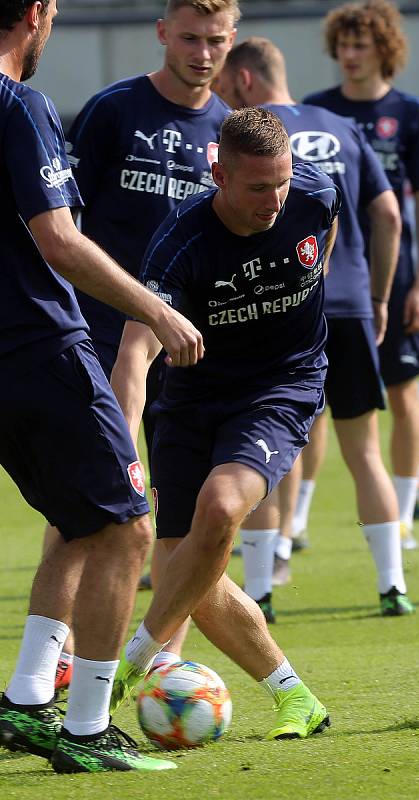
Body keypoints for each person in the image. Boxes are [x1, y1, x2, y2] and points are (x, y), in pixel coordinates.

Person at [0, 0, 204, 774]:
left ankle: (25, 700)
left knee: (76, 518)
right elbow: (57, 238)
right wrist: (156, 310)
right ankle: (86, 729)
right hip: (38, 349)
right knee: (126, 527)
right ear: (34, 14)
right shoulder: (20, 104)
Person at [109, 107, 337, 740]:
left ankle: (130, 662)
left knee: (221, 505)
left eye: (282, 181)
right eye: (258, 186)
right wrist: (120, 447)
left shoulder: (315, 191)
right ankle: (296, 697)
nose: (274, 200)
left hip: (281, 388)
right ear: (218, 173)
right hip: (187, 403)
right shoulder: (179, 243)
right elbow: (135, 351)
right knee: (188, 568)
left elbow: (324, 236)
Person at [49, 0, 239, 687]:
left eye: (216, 39)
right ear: (163, 33)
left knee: (179, 515)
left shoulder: (229, 132)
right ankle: (63, 652)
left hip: (187, 349)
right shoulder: (115, 111)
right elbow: (64, 224)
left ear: (233, 40)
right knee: (93, 499)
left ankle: (163, 660)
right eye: (189, 37)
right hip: (98, 335)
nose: (202, 52)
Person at [215, 37, 413, 617]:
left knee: (266, 451)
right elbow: (390, 216)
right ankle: (393, 586)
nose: (221, 95)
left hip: (284, 311)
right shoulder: (341, 124)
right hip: (351, 306)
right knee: (365, 452)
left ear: (246, 81)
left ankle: (260, 592)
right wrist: (377, 296)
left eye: (226, 85)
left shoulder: (249, 135)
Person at [303, 0, 419, 550]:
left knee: (403, 393)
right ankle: (295, 523)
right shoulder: (316, 110)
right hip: (325, 280)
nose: (349, 56)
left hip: (393, 276)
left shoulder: (410, 113)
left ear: (384, 49)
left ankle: (404, 516)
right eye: (342, 46)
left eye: (360, 45)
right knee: (311, 401)